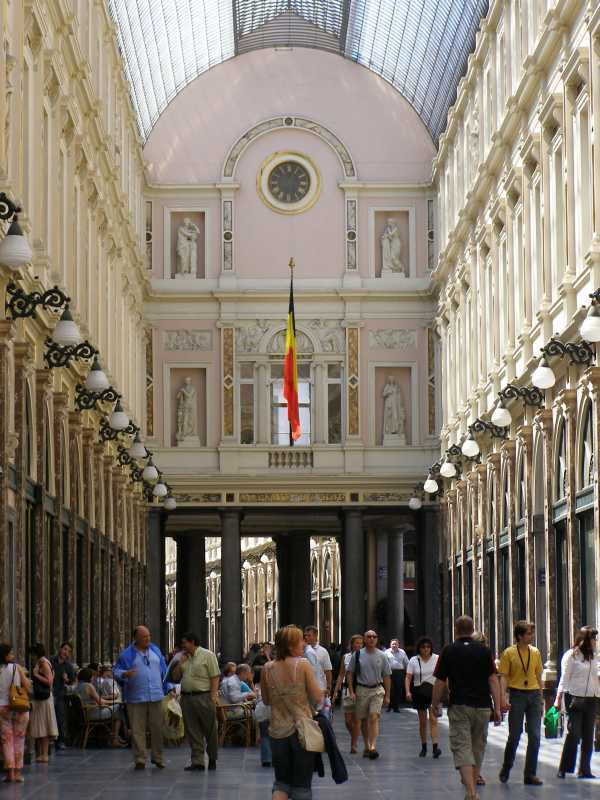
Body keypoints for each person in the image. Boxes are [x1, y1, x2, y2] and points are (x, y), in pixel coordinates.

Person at [431, 616, 501, 800]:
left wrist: (434, 703)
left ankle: (471, 792)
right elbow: (493, 679)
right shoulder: (484, 651)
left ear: (456, 630)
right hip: (483, 706)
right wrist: (498, 707)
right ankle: (472, 783)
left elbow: (440, 681)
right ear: (472, 629)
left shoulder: (449, 650)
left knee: (462, 746)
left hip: (460, 705)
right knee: (478, 746)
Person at [261, 625, 322, 800]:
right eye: (300, 640)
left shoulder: (267, 668)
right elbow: (317, 696)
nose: (304, 643)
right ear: (290, 645)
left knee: (281, 783)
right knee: (302, 786)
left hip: (277, 731)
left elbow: (266, 700)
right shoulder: (303, 664)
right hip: (301, 731)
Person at [114, 625, 167, 770]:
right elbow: (116, 671)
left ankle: (158, 757)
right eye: (144, 637)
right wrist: (124, 674)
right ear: (136, 638)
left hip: (156, 695)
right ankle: (140, 758)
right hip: (136, 697)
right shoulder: (127, 655)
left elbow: (164, 669)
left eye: (149, 636)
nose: (147, 639)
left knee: (157, 728)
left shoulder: (155, 650)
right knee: (137, 730)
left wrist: (168, 686)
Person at [498, 620, 544, 786]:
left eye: (531, 633)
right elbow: (504, 677)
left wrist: (541, 698)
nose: (531, 636)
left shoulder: (535, 652)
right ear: (519, 636)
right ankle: (506, 767)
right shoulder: (509, 653)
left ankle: (530, 774)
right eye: (528, 634)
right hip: (517, 694)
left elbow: (538, 676)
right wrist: (503, 697)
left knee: (535, 736)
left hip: (534, 695)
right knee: (515, 735)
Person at [169, 631, 220, 772]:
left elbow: (215, 676)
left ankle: (212, 758)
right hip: (187, 698)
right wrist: (180, 663)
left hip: (204, 696)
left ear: (192, 642)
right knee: (192, 730)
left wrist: (213, 695)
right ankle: (197, 761)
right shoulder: (183, 657)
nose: (182, 645)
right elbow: (175, 677)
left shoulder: (208, 655)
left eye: (184, 642)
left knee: (210, 729)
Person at [555, 626, 599, 779]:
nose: (595, 641)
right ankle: (564, 768)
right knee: (574, 733)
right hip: (575, 698)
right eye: (593, 638)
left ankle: (584, 769)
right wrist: (558, 698)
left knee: (588, 734)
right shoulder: (571, 655)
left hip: (592, 698)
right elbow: (564, 677)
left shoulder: (595, 655)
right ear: (585, 639)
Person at [346, 629, 391, 759]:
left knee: (374, 716)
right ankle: (366, 745)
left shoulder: (382, 655)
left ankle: (373, 746)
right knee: (364, 719)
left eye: (374, 636)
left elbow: (387, 676)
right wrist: (351, 691)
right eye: (369, 636)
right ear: (365, 639)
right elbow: (350, 673)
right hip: (362, 689)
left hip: (377, 689)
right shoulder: (357, 654)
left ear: (377, 639)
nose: (371, 639)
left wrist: (388, 695)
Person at [0, 643, 31, 783]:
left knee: (6, 741)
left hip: (2, 708)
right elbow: (28, 687)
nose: (13, 655)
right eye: (11, 653)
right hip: (19, 706)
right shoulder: (16, 667)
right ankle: (18, 773)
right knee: (19, 739)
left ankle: (10, 773)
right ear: (5, 655)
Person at [405, 636, 441, 758]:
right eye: (423, 647)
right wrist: (407, 692)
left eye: (428, 647)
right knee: (422, 722)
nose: (426, 649)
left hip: (433, 691)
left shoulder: (437, 658)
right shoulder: (414, 660)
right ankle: (424, 746)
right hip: (419, 692)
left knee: (433, 719)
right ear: (419, 648)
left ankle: (435, 747)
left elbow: (442, 675)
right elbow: (408, 677)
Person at [73, 668, 126, 746]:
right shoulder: (89, 686)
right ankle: (115, 738)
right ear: (89, 677)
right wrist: (113, 702)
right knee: (118, 708)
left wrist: (107, 701)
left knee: (115, 709)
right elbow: (100, 702)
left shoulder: (76, 687)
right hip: (92, 713)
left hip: (83, 714)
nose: (93, 678)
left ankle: (115, 737)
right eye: (92, 676)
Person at [332, 634, 363, 753]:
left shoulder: (365, 656)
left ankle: (353, 744)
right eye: (357, 643)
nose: (359, 645)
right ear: (352, 644)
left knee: (356, 719)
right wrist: (335, 691)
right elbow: (341, 674)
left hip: (360, 689)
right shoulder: (346, 657)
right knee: (348, 721)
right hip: (347, 690)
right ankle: (354, 735)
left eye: (361, 643)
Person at [50, 642, 75, 750]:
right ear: (60, 649)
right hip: (49, 693)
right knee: (50, 717)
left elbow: (72, 681)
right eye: (65, 649)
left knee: (60, 718)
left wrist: (67, 680)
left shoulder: (68, 666)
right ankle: (50, 740)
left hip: (60, 694)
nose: (66, 652)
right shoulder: (51, 661)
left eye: (68, 651)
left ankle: (60, 741)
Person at [304, 627, 333, 696]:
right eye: (305, 635)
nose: (306, 637)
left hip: (319, 687)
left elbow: (328, 671)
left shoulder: (323, 651)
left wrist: (328, 687)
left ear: (315, 636)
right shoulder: (301, 650)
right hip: (305, 688)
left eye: (309, 635)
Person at [385, 638, 408, 712]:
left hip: (399, 672)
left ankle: (396, 707)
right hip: (389, 672)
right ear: (390, 645)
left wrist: (408, 672)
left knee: (398, 689)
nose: (394, 645)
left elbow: (406, 662)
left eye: (396, 644)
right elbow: (384, 663)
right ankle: (389, 706)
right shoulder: (386, 652)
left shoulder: (402, 652)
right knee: (390, 689)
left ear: (398, 645)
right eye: (393, 644)